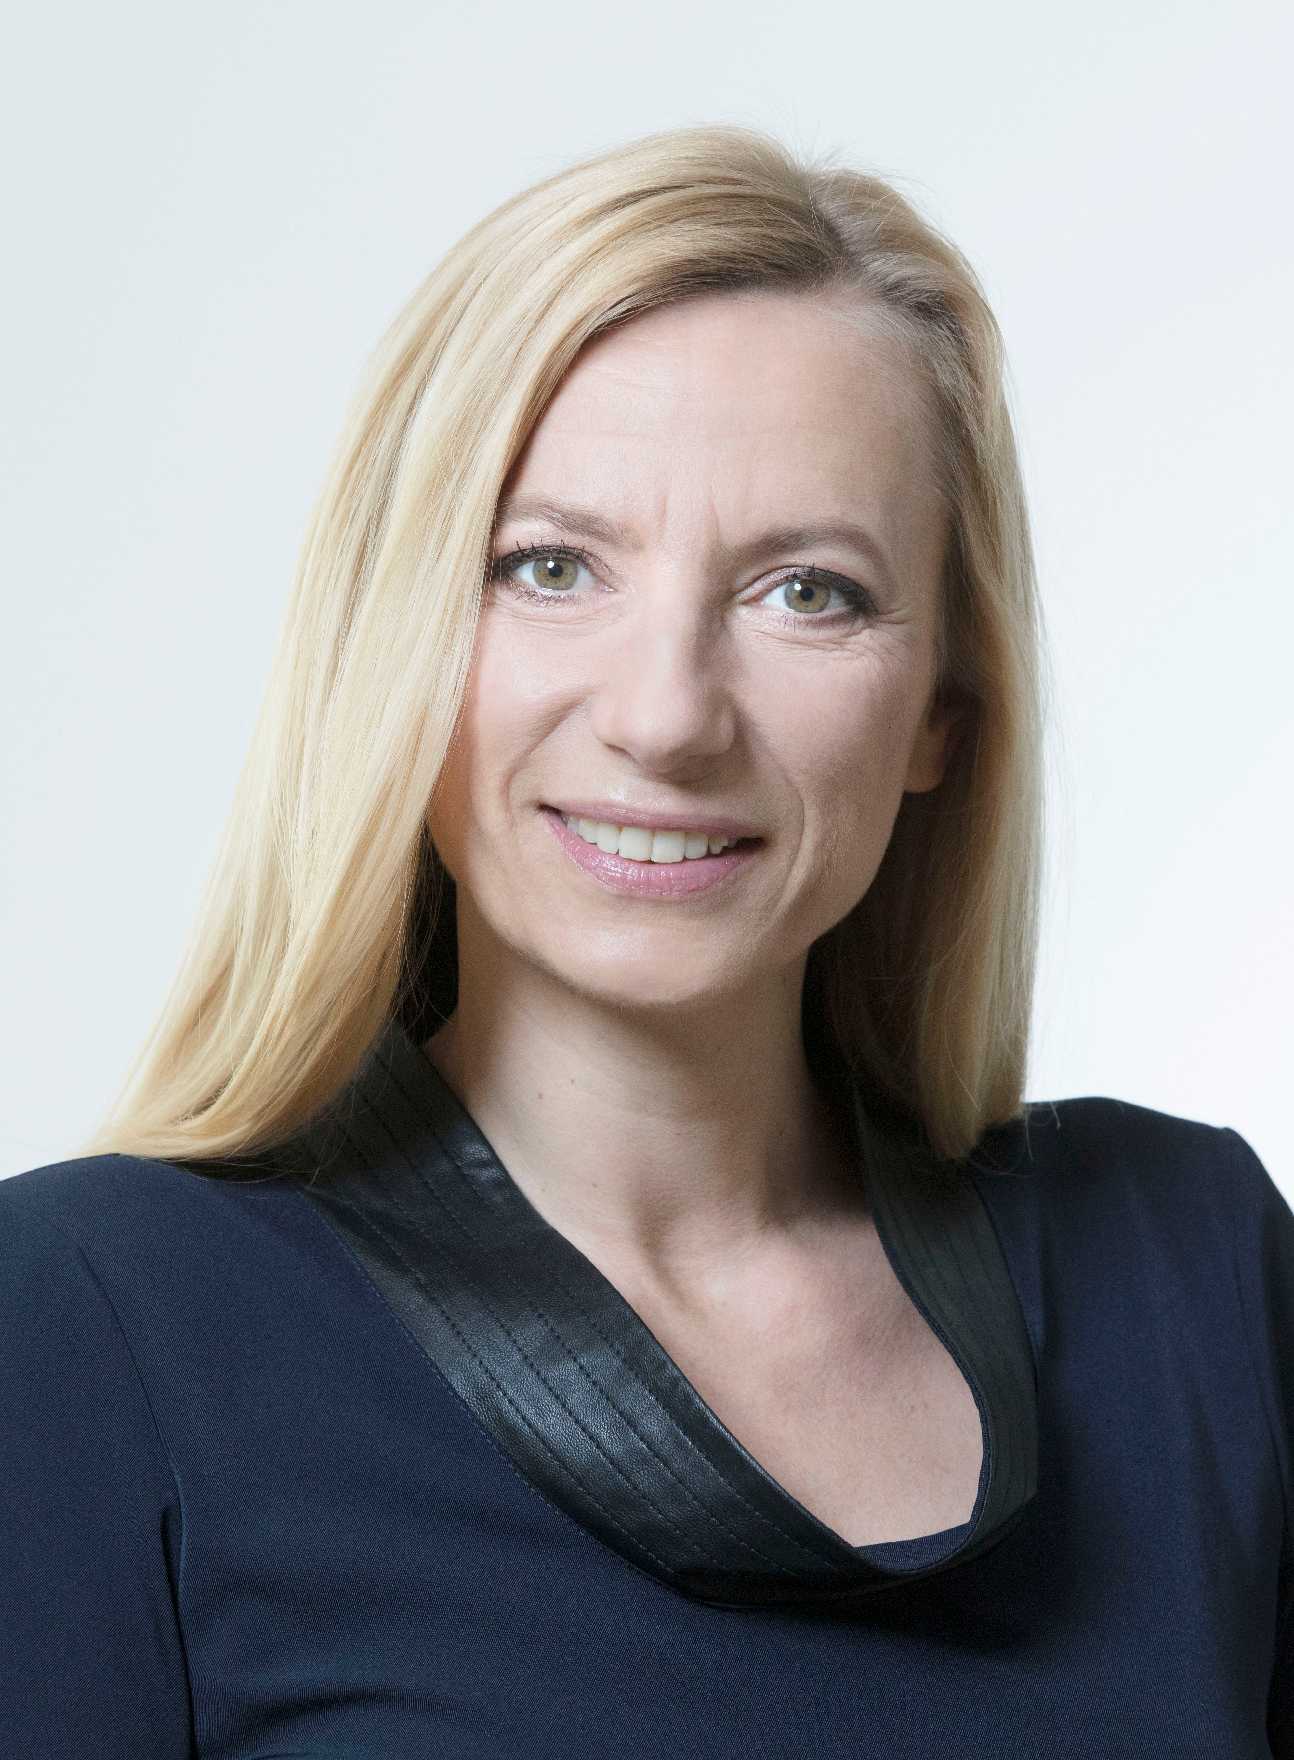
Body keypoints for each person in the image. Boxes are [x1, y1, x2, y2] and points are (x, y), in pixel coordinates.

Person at [1, 123, 1288, 1758]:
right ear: (392, 640)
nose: (667, 716)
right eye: (549, 568)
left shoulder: (1189, 1271)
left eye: (806, 591)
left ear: (941, 714)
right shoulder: (88, 1322)